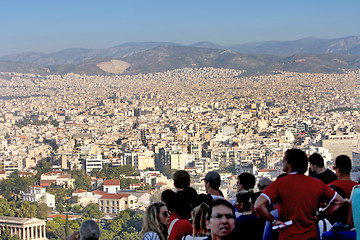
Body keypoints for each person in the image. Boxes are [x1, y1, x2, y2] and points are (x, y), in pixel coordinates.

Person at [254, 148, 345, 240]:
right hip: (311, 235)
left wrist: (273, 221)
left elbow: (258, 205)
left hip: (288, 235)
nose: (282, 162)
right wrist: (319, 217)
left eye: (284, 160)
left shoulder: (279, 184)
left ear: (289, 163)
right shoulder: (317, 184)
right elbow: (339, 201)